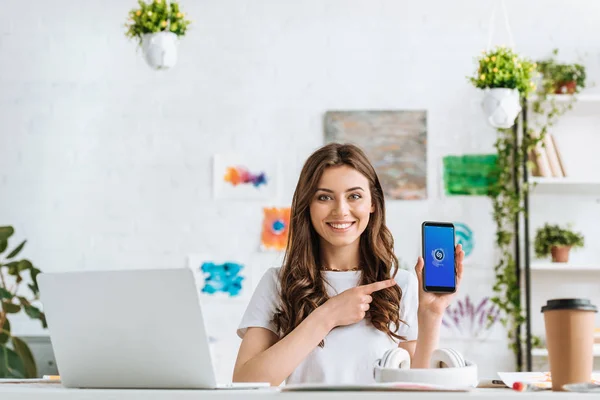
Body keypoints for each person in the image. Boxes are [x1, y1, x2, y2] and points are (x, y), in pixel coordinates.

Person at [232, 142, 464, 386]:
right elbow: (245, 382)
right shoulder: (278, 283)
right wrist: (327, 315)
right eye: (324, 197)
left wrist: (431, 314)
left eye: (354, 196)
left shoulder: (400, 283)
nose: (341, 210)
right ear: (307, 205)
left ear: (372, 203)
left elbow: (418, 390)